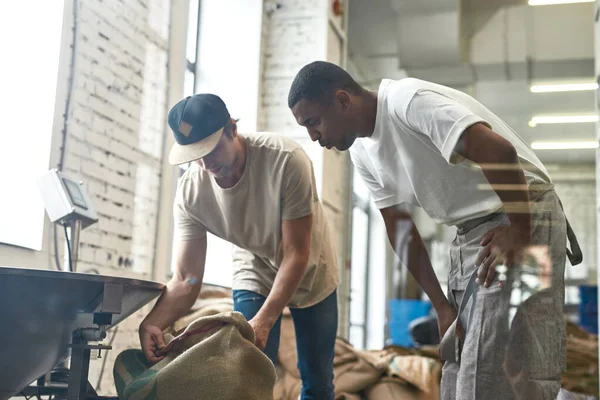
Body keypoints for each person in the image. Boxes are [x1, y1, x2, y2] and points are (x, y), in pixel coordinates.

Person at [287, 61, 582, 400]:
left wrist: (519, 232)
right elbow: (401, 230)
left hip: (526, 214)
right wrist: (441, 306)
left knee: (507, 361)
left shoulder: (407, 102)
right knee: (458, 364)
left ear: (342, 100)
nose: (312, 135)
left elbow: (498, 151)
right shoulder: (364, 154)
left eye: (313, 122)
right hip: (472, 231)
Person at [139, 93, 339, 400]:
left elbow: (296, 254)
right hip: (254, 265)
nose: (206, 164)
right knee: (247, 368)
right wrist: (153, 322)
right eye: (196, 155)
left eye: (211, 149)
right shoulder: (192, 192)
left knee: (317, 378)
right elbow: (186, 279)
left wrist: (267, 318)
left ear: (232, 128)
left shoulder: (286, 160)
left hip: (310, 265)